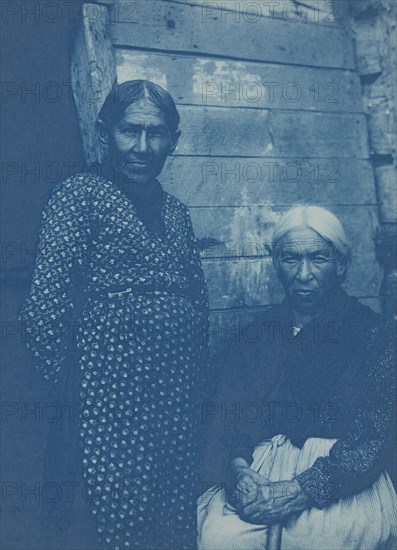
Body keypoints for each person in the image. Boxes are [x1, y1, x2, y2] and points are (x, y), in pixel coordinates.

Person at [19, 80, 209, 550]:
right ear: (105, 134)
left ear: (175, 140)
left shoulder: (177, 213)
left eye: (156, 133)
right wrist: (80, 385)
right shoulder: (79, 196)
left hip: (177, 401)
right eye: (130, 131)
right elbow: (43, 308)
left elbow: (198, 301)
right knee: (113, 518)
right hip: (107, 405)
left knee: (173, 514)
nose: (143, 147)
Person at [198, 205, 396, 549]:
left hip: (340, 477)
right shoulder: (255, 336)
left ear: (342, 265)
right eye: (291, 259)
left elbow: (372, 438)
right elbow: (229, 419)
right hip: (259, 471)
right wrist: (240, 472)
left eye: (318, 258)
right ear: (276, 264)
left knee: (320, 538)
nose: (304, 274)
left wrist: (301, 490)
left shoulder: (373, 335)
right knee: (222, 537)